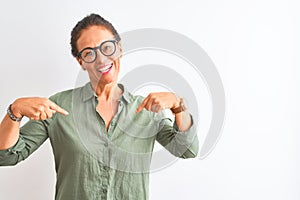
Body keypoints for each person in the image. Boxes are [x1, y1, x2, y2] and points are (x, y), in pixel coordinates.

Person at [0, 13, 198, 200]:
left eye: (107, 48)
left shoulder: (147, 110)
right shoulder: (58, 107)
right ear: (81, 62)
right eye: (89, 53)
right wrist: (14, 111)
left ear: (119, 48)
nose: (101, 59)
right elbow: (6, 156)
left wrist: (179, 106)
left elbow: (187, 150)